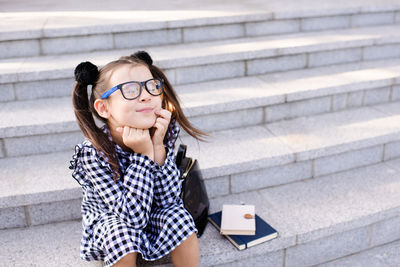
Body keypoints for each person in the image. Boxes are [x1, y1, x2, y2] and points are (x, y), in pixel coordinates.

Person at [69, 50, 208, 267]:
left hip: (150, 211)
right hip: (113, 220)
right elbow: (131, 219)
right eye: (130, 90)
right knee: (121, 234)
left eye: (151, 86)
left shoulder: (159, 131)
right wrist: (143, 156)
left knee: (179, 217)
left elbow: (169, 201)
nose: (146, 96)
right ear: (104, 107)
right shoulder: (92, 154)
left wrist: (158, 147)